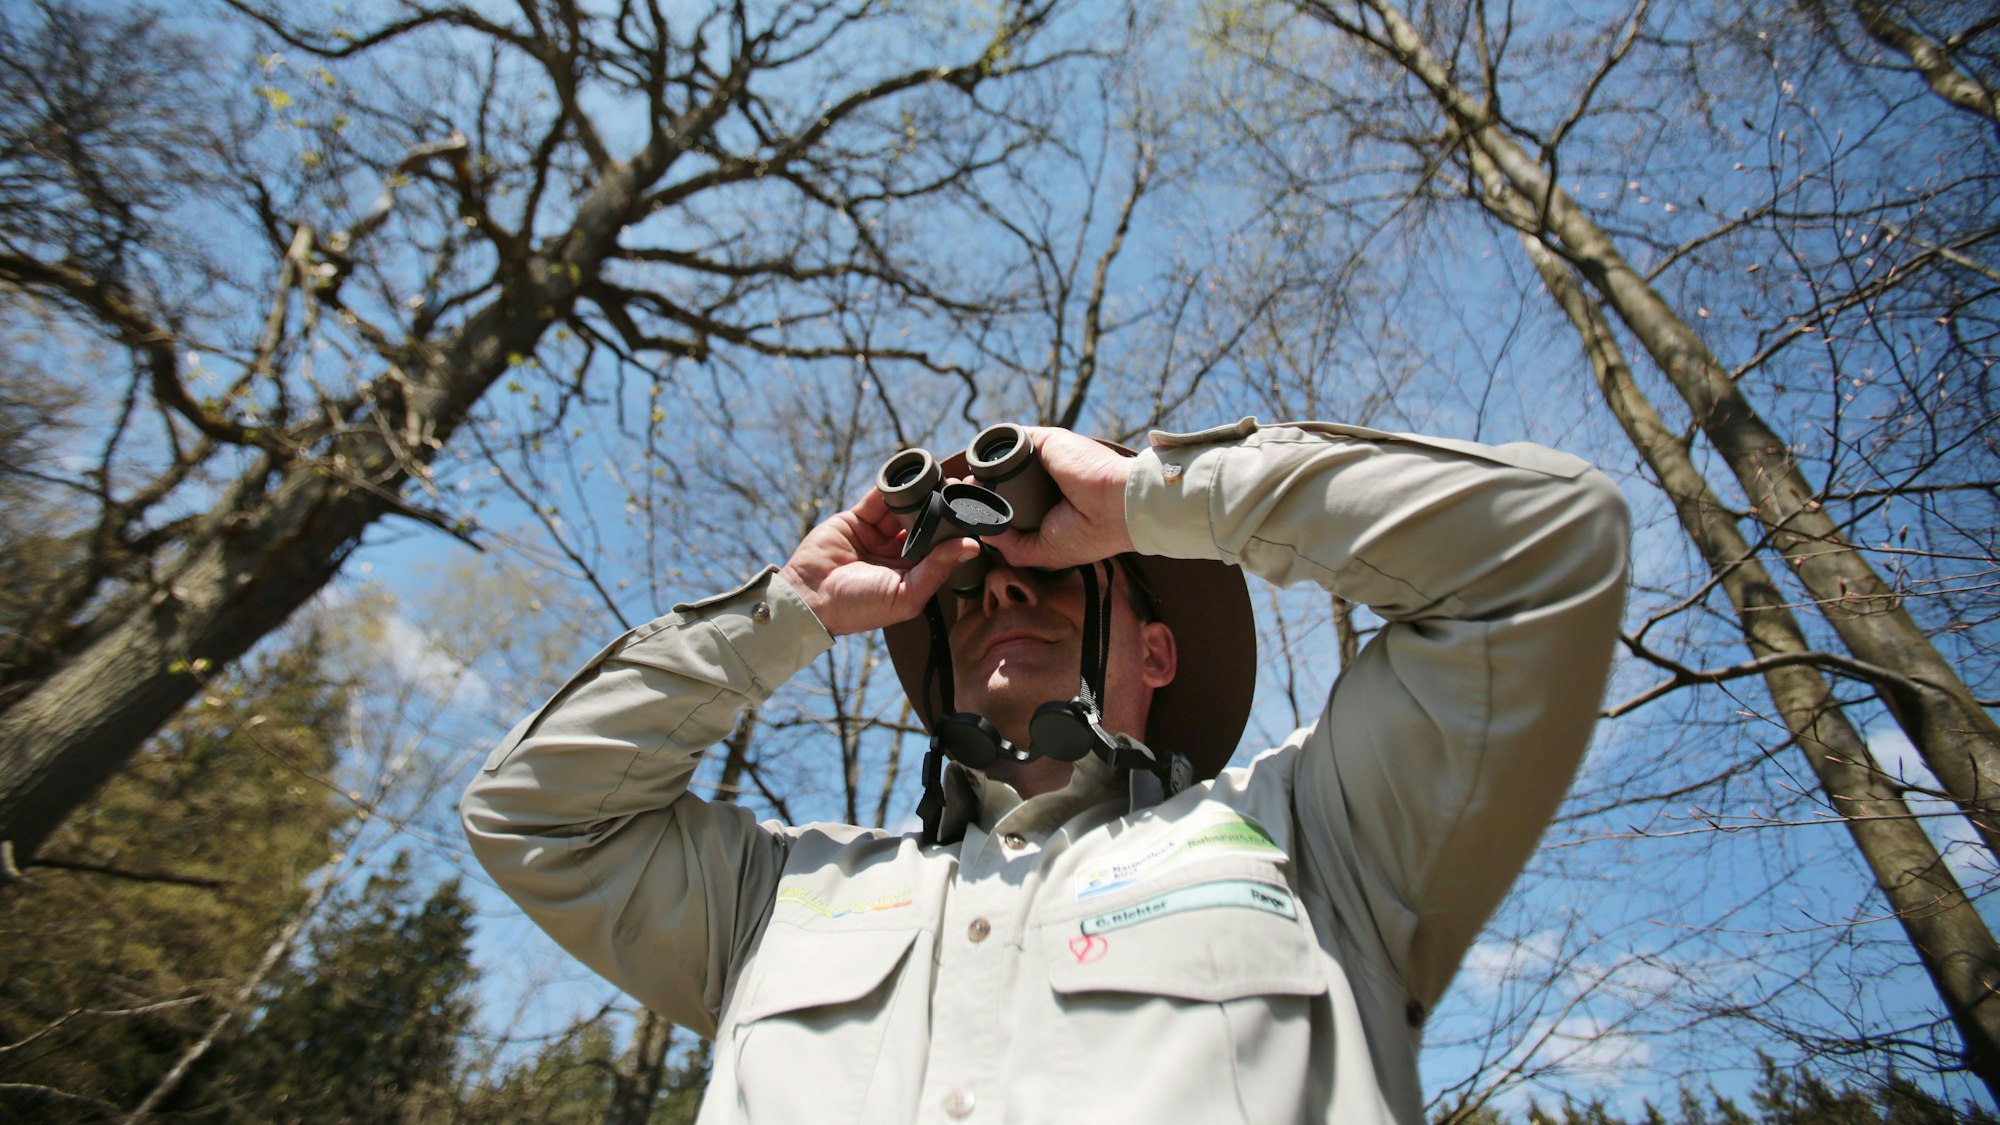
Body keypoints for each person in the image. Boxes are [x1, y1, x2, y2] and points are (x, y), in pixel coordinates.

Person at [461, 418, 1628, 1124]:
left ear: (1158, 648)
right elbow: (534, 817)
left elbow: (1543, 547)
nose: (1001, 590)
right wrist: (790, 614)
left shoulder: (1315, 840)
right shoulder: (779, 900)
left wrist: (1152, 497)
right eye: (961, 590)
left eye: (1056, 574)